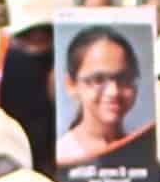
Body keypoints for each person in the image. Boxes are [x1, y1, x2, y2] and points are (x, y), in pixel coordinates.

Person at [57, 24, 148, 166]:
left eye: (123, 78)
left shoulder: (144, 153)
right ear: (71, 85)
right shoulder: (63, 155)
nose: (113, 92)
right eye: (98, 80)